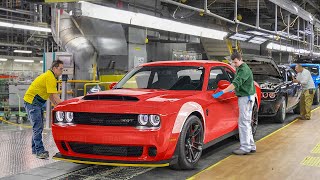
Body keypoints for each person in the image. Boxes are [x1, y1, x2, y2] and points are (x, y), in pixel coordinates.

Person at [212, 52, 256, 155]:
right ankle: (251, 145)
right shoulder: (240, 68)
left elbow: (235, 83)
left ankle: (245, 147)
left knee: (243, 123)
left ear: (240, 59)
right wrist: (233, 90)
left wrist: (223, 92)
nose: (234, 64)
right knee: (246, 122)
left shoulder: (244, 70)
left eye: (235, 62)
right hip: (245, 96)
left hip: (246, 98)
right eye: (233, 63)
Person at [24, 60, 63, 159]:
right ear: (54, 68)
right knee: (38, 127)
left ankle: (35, 149)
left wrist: (56, 105)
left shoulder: (50, 76)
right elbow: (54, 95)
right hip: (32, 103)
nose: (62, 71)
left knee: (38, 127)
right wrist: (65, 105)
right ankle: (40, 151)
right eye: (60, 69)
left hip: (35, 103)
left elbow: (50, 94)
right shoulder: (50, 77)